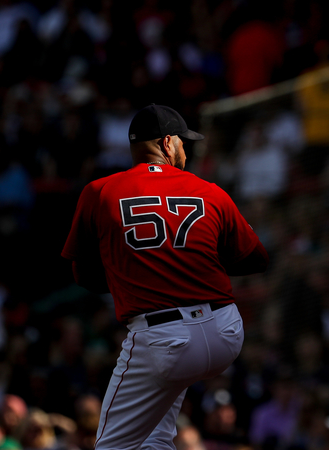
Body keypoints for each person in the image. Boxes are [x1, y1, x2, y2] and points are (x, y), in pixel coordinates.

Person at [62, 103, 269, 450]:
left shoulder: (100, 191)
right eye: (184, 143)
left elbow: (83, 275)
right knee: (156, 437)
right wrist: (190, 261)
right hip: (225, 331)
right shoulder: (210, 190)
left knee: (111, 446)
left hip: (164, 339)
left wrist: (134, 271)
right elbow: (256, 259)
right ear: (168, 143)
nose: (186, 150)